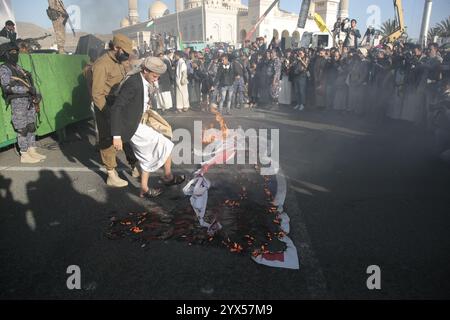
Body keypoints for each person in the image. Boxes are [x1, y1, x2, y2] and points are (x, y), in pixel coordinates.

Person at [110, 57, 185, 199]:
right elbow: (116, 108)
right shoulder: (133, 83)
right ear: (145, 70)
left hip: (140, 122)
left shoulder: (143, 80)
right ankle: (160, 181)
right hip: (132, 126)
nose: (156, 79)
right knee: (157, 149)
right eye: (154, 76)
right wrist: (116, 136)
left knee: (159, 148)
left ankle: (156, 182)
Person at [91, 34, 138, 187]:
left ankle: (134, 165)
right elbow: (97, 94)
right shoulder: (101, 64)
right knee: (107, 140)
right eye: (125, 52)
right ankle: (111, 173)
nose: (127, 55)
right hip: (106, 105)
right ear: (116, 48)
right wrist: (108, 114)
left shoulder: (121, 61)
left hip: (119, 104)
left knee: (127, 135)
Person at [0, 42, 46, 164]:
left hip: (28, 100)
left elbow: (28, 83)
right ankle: (24, 154)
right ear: (6, 54)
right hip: (18, 101)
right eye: (13, 52)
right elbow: (7, 87)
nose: (16, 54)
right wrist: (26, 89)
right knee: (22, 128)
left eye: (17, 52)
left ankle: (32, 150)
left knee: (31, 126)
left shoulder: (18, 67)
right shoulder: (4, 68)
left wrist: (35, 94)